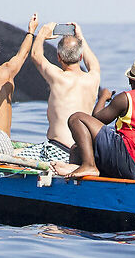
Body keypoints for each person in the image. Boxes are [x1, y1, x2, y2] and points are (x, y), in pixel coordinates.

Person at [53, 56, 135, 180]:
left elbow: (97, 119)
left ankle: (89, 166)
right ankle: (80, 172)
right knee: (77, 149)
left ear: (130, 80)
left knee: (77, 118)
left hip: (127, 159)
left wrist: (103, 97)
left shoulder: (125, 98)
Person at [15, 20, 101, 164]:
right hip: (82, 153)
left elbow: (36, 55)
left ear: (59, 57)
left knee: (11, 155)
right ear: (80, 57)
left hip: (56, 150)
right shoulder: (93, 78)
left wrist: (42, 33)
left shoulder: (58, 77)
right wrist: (80, 36)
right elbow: (93, 64)